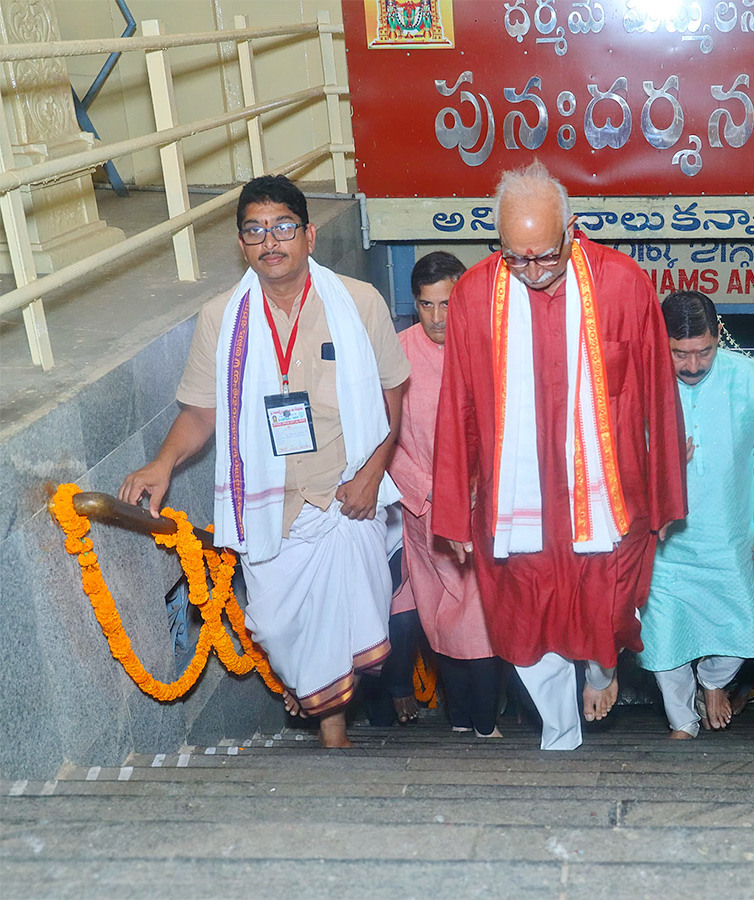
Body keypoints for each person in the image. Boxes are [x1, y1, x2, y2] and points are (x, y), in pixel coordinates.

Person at [119, 175, 410, 749]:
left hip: (346, 495)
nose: (269, 241)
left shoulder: (358, 302)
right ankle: (322, 703)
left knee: (354, 617)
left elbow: (391, 393)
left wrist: (374, 475)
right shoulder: (222, 319)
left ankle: (334, 734)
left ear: (309, 235)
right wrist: (162, 464)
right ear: (242, 243)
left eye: (282, 228)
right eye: (255, 231)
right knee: (276, 627)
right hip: (270, 507)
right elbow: (201, 411)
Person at [431, 160, 688, 751]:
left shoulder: (622, 284)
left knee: (609, 603)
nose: (532, 272)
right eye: (516, 258)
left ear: (572, 231)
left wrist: (668, 494)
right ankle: (559, 729)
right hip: (519, 508)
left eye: (546, 255)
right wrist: (453, 509)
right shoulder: (475, 294)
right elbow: (459, 407)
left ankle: (601, 668)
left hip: (605, 500)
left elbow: (657, 394)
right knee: (521, 615)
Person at [636, 291, 754, 738]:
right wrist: (657, 463)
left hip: (730, 528)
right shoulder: (640, 380)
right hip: (665, 534)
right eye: (680, 353)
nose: (693, 365)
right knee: (665, 628)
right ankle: (681, 718)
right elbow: (615, 458)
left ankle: (714, 681)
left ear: (718, 337)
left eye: (703, 351)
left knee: (741, 622)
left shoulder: (748, 374)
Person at [388, 251, 503, 738]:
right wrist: (430, 491)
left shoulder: (490, 349)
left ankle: (485, 722)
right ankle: (460, 720)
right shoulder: (396, 353)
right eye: (426, 305)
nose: (437, 317)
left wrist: (476, 491)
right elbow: (383, 438)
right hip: (423, 514)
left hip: (481, 512)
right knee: (438, 618)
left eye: (447, 303)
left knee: (478, 618)